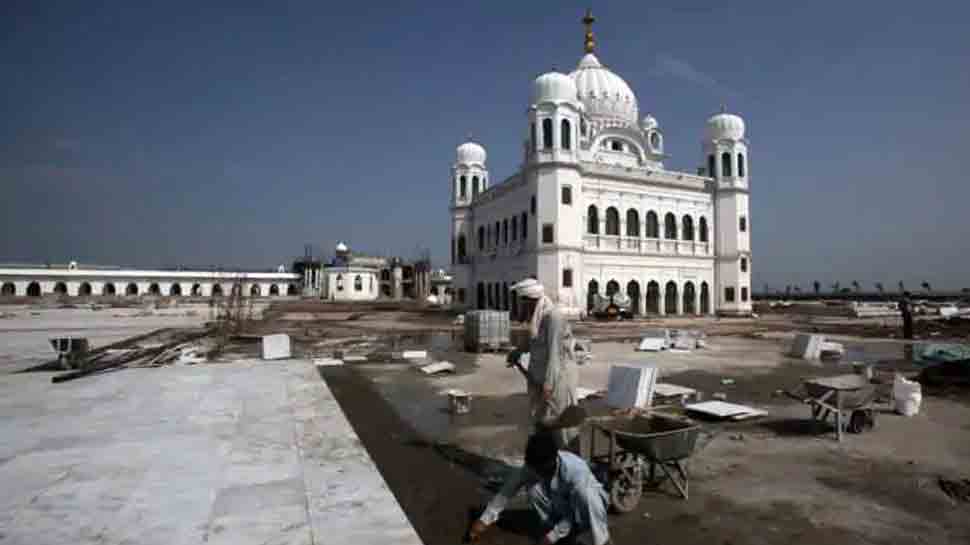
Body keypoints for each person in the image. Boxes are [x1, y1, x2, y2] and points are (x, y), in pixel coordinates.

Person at [468, 432, 610, 545]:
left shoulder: (576, 472)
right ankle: (555, 528)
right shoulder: (534, 465)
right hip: (562, 505)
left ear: (550, 462)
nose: (533, 472)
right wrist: (485, 519)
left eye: (538, 470)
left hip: (586, 508)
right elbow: (507, 491)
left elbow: (574, 513)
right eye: (533, 469)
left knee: (585, 497)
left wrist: (553, 536)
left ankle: (602, 540)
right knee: (533, 490)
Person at [511, 277, 579, 449]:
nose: (521, 307)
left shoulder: (553, 317)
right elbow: (534, 340)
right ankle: (549, 464)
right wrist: (518, 351)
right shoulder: (538, 316)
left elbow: (555, 354)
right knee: (542, 424)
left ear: (530, 300)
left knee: (562, 425)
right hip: (541, 376)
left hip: (558, 379)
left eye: (522, 302)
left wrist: (549, 386)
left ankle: (570, 464)